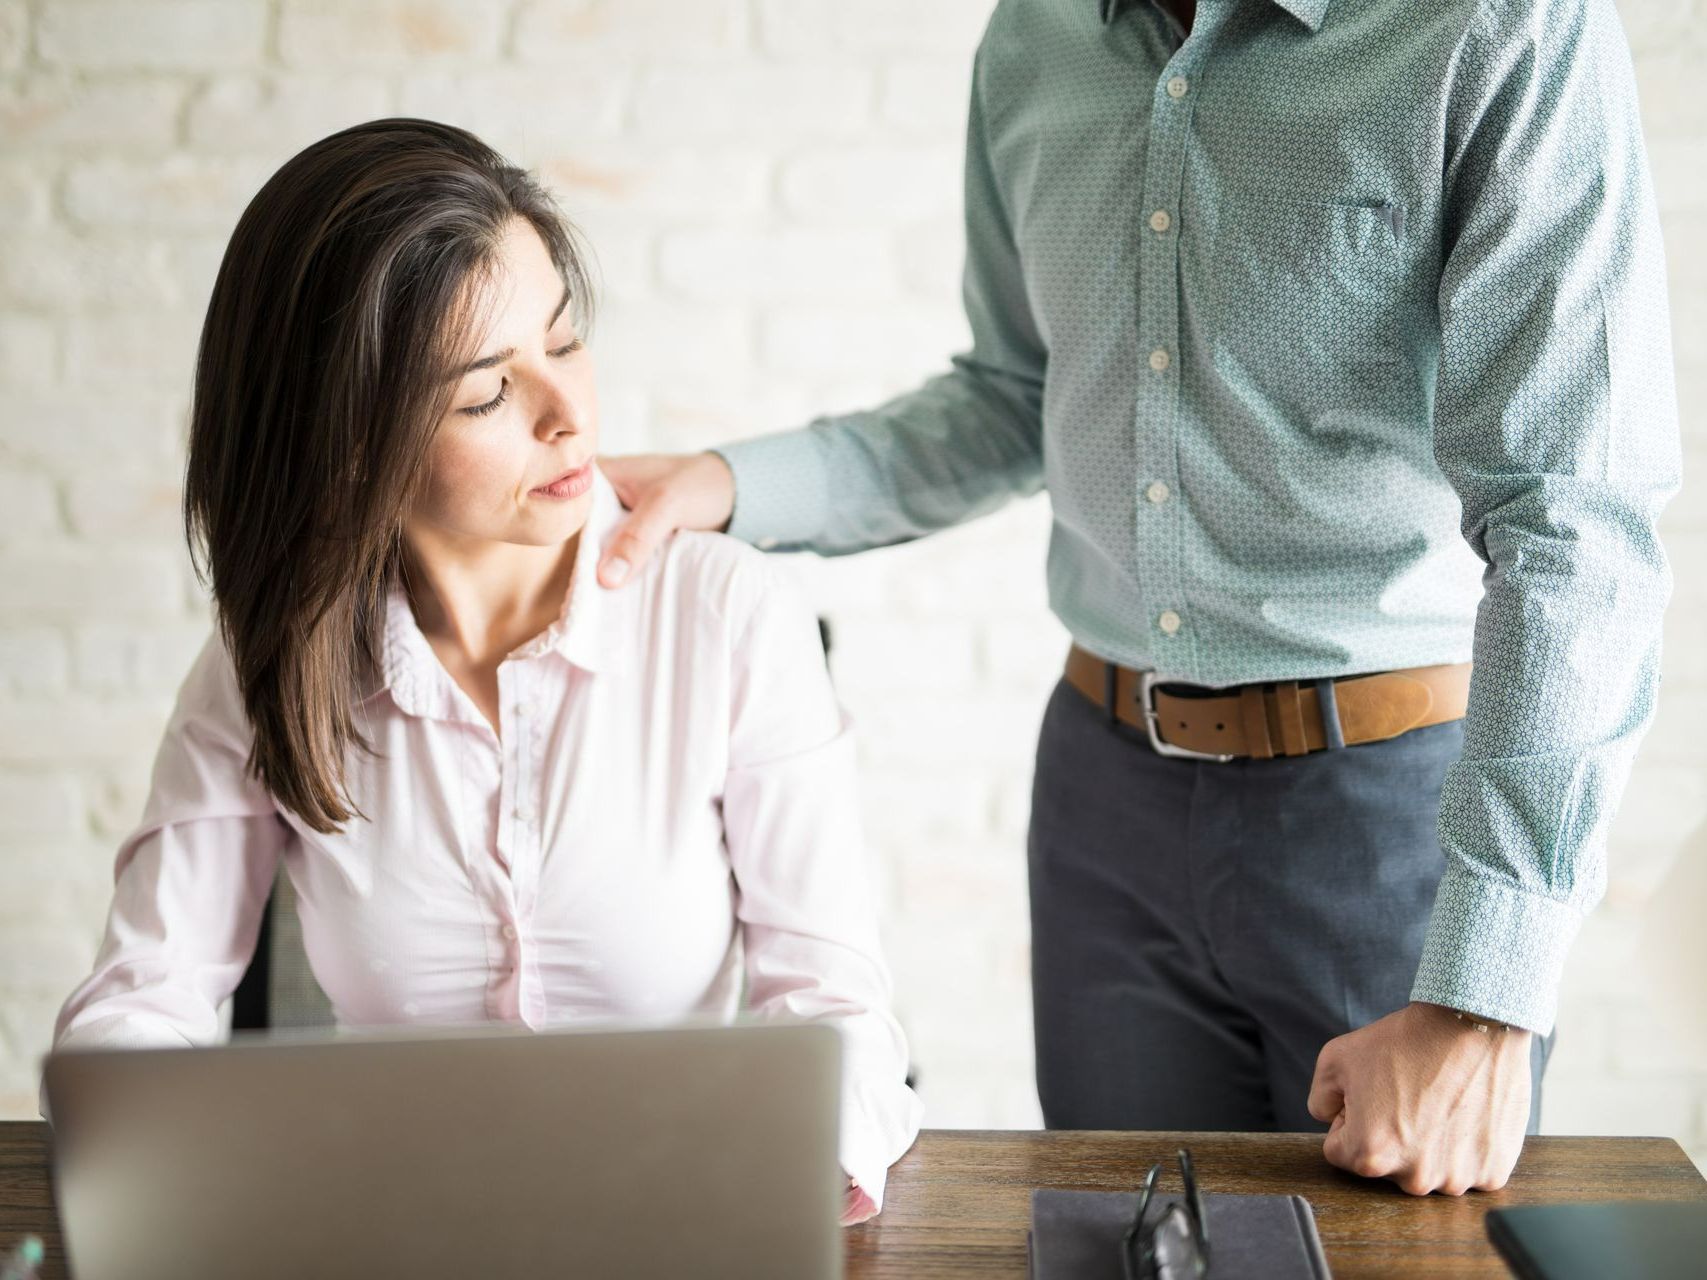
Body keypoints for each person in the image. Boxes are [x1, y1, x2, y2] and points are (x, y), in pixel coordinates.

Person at [593, 0, 1680, 1197]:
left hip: (1390, 815)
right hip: (1107, 804)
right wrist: (734, 483)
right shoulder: (1034, 41)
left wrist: (1486, 994)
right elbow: (1013, 394)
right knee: (1118, 1242)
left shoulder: (1497, 29)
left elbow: (1574, 524)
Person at [45, 118, 921, 1224]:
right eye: (485, 394)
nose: (570, 417)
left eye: (563, 341)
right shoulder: (269, 658)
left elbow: (839, 1012)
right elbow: (143, 1005)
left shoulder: (729, 615)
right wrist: (144, 1160)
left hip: (684, 1220)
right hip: (390, 1226)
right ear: (352, 438)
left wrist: (783, 1177)